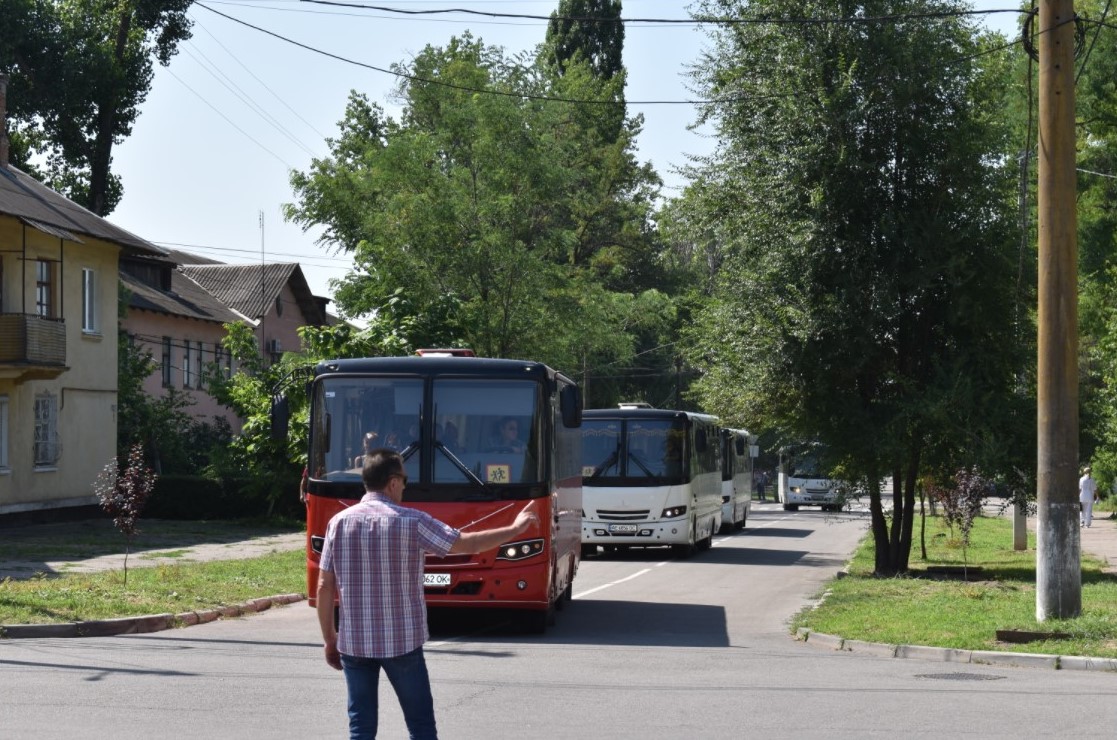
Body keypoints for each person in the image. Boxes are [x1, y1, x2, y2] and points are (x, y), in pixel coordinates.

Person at [316, 448, 538, 739]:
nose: (405, 488)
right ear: (393, 482)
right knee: (420, 726)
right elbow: (467, 544)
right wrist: (516, 528)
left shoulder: (339, 523)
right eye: (405, 481)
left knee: (360, 727)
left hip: (354, 644)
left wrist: (330, 639)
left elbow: (324, 586)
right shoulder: (411, 521)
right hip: (402, 643)